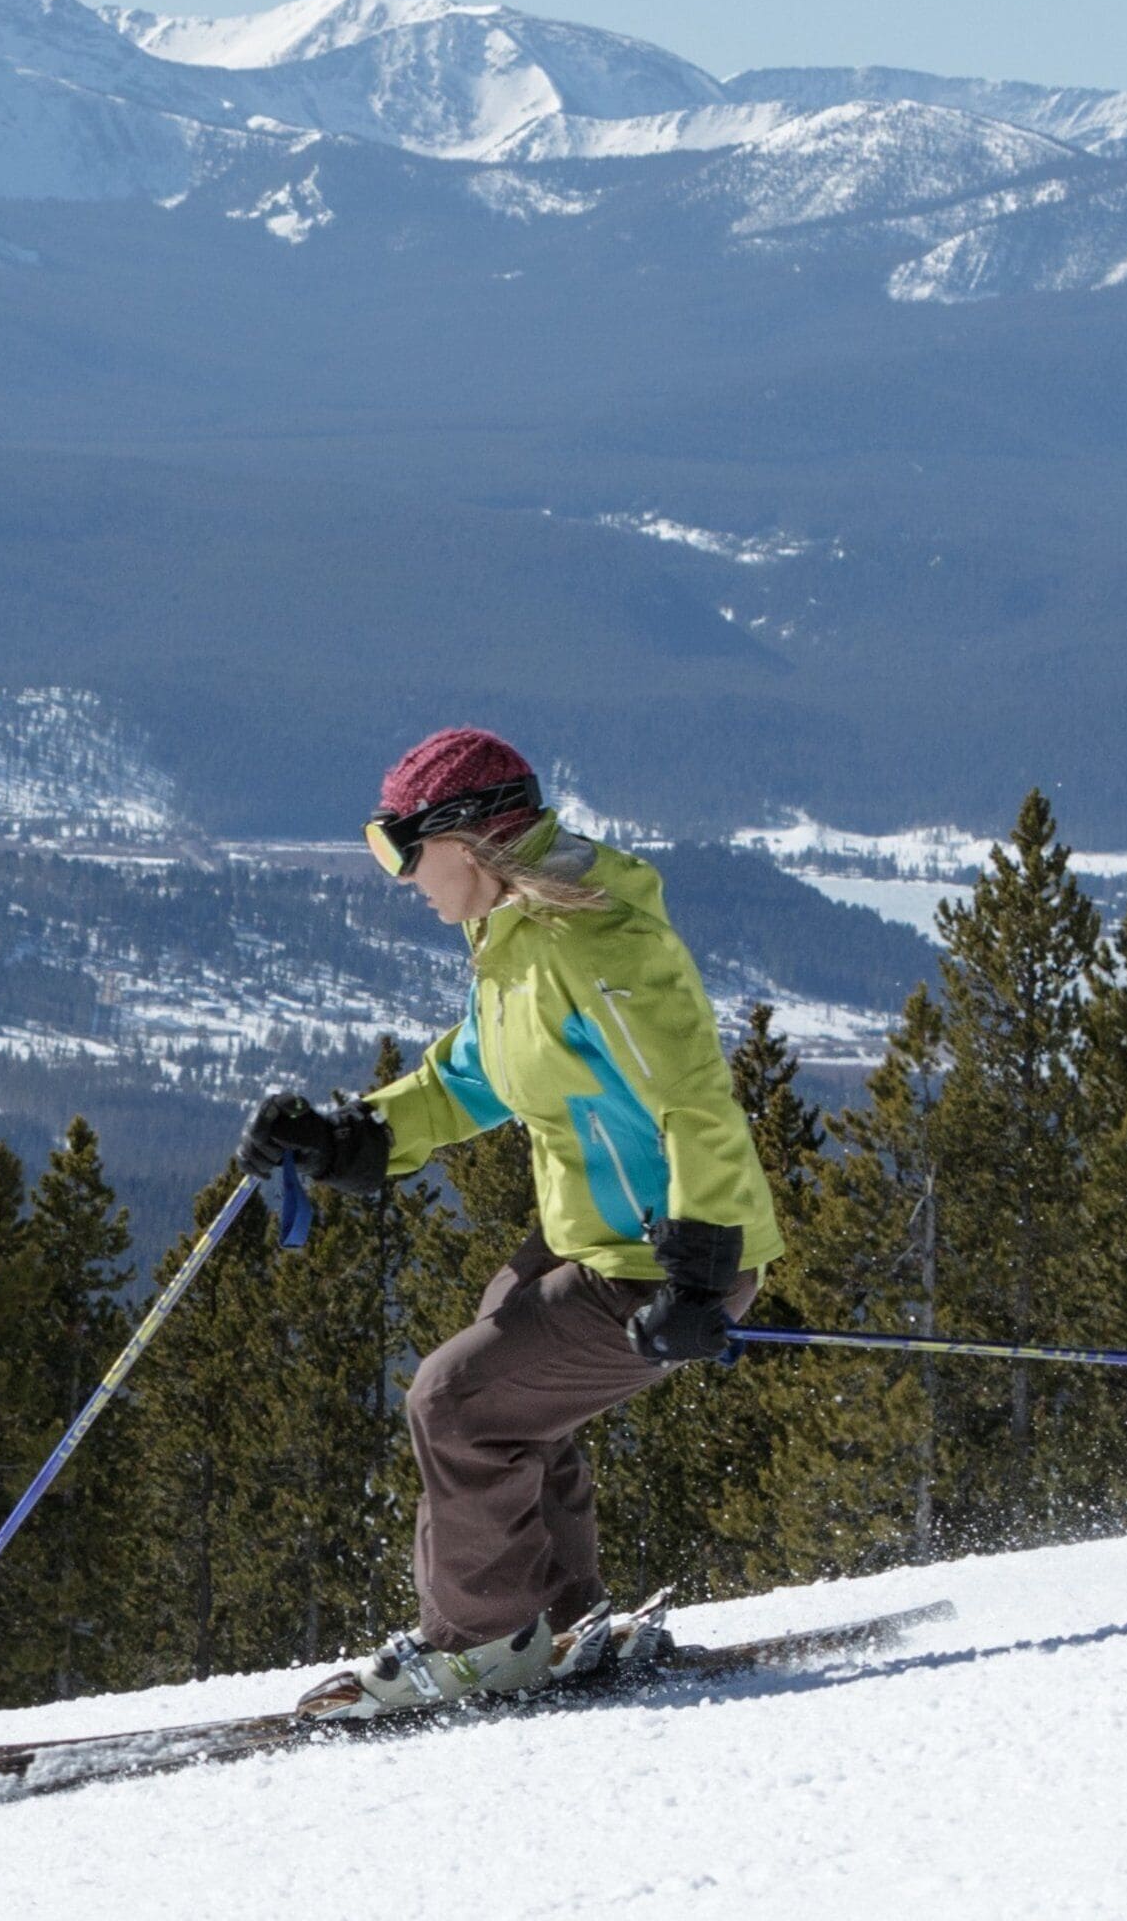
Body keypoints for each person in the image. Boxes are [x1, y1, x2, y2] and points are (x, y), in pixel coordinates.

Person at [235, 724, 782, 1716]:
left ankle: (484, 1644)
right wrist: (345, 1137)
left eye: (404, 848)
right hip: (594, 1243)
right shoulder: (518, 946)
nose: (401, 876)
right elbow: (468, 1079)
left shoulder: (599, 946)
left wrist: (701, 1272)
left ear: (471, 839)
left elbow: (695, 1100)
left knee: (455, 1401)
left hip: (666, 1257)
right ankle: (558, 1623)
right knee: (506, 1365)